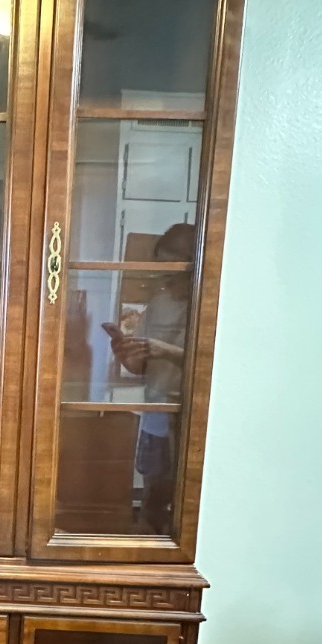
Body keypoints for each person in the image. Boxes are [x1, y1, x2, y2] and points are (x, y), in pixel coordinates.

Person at [108, 222, 195, 534]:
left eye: (173, 261)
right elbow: (138, 365)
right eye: (162, 261)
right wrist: (123, 349)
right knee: (152, 496)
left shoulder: (207, 307)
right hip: (155, 414)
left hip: (187, 420)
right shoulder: (158, 304)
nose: (165, 270)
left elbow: (210, 363)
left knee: (185, 504)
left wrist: (164, 349)